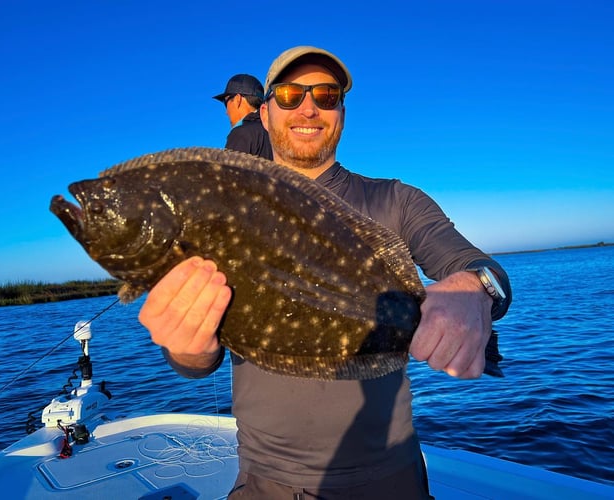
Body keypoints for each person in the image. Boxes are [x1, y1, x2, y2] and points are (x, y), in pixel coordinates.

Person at [140, 46, 512, 499]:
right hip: (264, 479)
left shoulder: (397, 201)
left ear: (341, 111)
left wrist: (477, 288)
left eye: (326, 95)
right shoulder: (225, 216)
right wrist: (186, 349)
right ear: (266, 111)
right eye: (291, 94)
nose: (309, 108)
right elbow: (198, 363)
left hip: (388, 477)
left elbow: (480, 267)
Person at [213, 73, 273, 160]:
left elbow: (228, 172)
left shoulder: (241, 134)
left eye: (226, 103)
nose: (226, 112)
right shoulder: (274, 134)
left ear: (238, 99)